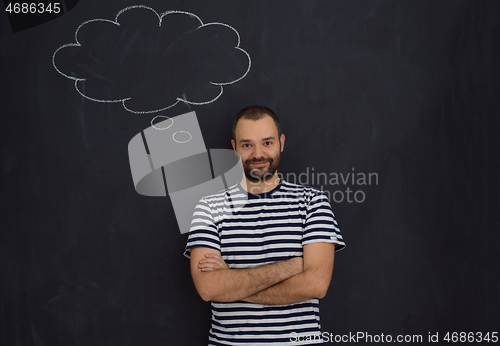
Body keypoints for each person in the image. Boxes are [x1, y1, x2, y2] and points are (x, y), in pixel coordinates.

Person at [184, 105, 345, 345]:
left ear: (281, 143)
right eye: (247, 145)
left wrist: (232, 283)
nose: (258, 154)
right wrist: (290, 268)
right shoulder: (209, 207)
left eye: (267, 143)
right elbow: (209, 289)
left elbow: (317, 284)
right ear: (234, 148)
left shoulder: (313, 202)